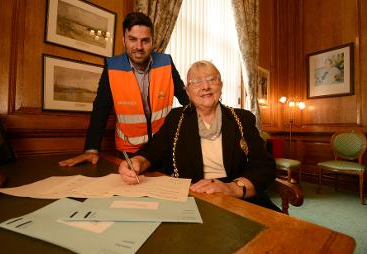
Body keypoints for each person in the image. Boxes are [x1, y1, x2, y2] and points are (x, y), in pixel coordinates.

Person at [118, 60, 279, 211]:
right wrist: (138, 161)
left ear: (221, 85)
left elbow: (264, 165)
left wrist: (232, 188)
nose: (205, 86)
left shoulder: (242, 118)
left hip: (238, 200)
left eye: (211, 79)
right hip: (191, 197)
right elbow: (153, 151)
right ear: (188, 91)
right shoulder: (176, 118)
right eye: (196, 82)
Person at [59, 12, 189, 167]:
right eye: (132, 39)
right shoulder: (111, 67)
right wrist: (91, 149)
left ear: (153, 41)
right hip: (128, 151)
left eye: (145, 41)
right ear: (124, 40)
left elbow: (185, 99)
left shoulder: (166, 62)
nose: (139, 47)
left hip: (161, 149)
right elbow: (100, 109)